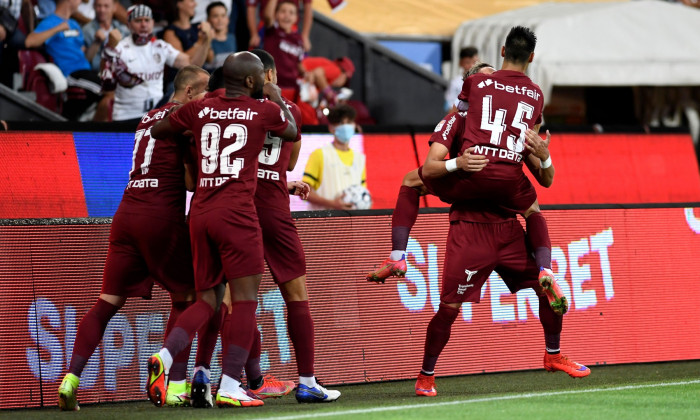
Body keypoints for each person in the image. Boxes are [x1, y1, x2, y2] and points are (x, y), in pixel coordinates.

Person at [145, 51, 298, 409]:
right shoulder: (263, 110)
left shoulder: (199, 109)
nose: (264, 81)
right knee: (245, 301)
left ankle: (165, 358)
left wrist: (192, 128)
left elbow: (159, 129)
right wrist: (274, 96)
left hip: (199, 212)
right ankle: (230, 385)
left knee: (207, 300)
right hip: (237, 216)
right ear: (249, 81)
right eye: (260, 77)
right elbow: (290, 130)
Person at [56, 65, 211, 411]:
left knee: (106, 303)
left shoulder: (148, 117)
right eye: (205, 94)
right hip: (159, 216)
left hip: (125, 214)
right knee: (188, 296)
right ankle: (175, 385)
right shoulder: (186, 117)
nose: (208, 102)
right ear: (189, 93)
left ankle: (70, 378)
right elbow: (189, 183)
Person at [238, 48, 341, 403]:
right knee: (297, 295)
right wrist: (283, 182)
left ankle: (233, 379)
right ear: (269, 76)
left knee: (233, 299)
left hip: (236, 206)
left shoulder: (232, 110)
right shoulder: (289, 111)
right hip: (274, 211)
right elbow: (285, 161)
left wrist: (283, 181)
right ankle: (308, 381)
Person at [101, 4, 207, 121]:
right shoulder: (119, 47)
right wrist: (110, 48)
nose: (143, 24)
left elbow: (192, 64)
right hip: (126, 115)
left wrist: (206, 41)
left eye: (147, 20)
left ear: (152, 23)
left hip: (156, 115)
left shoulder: (160, 46)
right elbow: (105, 80)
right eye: (138, 20)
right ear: (128, 24)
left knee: (178, 90)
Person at [24, 0, 111, 120]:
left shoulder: (74, 24)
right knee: (109, 92)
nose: (81, 2)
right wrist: (58, 28)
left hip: (86, 71)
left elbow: (86, 57)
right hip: (70, 74)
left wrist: (97, 42)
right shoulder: (50, 21)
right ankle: (93, 134)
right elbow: (29, 42)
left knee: (115, 91)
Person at [302, 104, 367, 210]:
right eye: (341, 123)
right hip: (323, 223)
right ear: (331, 128)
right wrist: (331, 203)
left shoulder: (360, 158)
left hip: (350, 223)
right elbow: (304, 191)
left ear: (355, 125)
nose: (346, 127)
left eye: (349, 122)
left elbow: (362, 193)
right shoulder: (319, 154)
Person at [82, 0, 129, 71]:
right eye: (99, 6)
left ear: (114, 7)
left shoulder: (122, 28)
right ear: (94, 6)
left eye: (106, 6)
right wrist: (96, 42)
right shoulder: (87, 30)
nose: (102, 10)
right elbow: (90, 62)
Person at [247, 0, 311, 51]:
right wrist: (254, 34)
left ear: (296, 17)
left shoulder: (297, 40)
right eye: (283, 11)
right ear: (276, 14)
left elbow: (308, 7)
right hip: (267, 28)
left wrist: (305, 35)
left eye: (291, 13)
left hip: (292, 30)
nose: (287, 16)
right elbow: (267, 17)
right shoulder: (271, 29)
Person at [205, 1, 237, 71]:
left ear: (228, 19)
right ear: (208, 20)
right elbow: (209, 59)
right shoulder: (205, 40)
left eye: (223, 16)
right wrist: (208, 39)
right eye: (215, 16)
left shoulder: (232, 38)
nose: (220, 20)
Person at [444, 46, 478, 111]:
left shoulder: (485, 81)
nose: (471, 66)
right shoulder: (456, 83)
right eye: (467, 62)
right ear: (460, 63)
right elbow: (450, 106)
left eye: (474, 62)